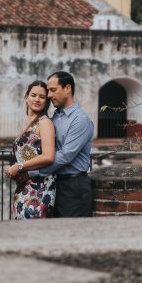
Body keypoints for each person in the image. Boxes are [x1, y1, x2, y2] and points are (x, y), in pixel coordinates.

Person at [30, 71, 94, 217]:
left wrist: (31, 171)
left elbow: (65, 156)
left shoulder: (80, 119)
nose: (49, 95)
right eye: (48, 91)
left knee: (72, 234)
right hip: (52, 184)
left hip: (73, 187)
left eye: (53, 90)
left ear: (67, 88)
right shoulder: (54, 117)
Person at [5, 80, 56, 219]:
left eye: (42, 97)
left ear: (47, 101)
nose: (37, 99)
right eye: (33, 95)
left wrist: (19, 166)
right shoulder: (27, 123)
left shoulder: (45, 123)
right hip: (24, 186)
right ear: (26, 97)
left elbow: (48, 156)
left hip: (40, 188)